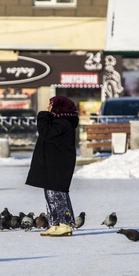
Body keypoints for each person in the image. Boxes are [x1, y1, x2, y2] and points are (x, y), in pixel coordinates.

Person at [26, 96, 79, 237]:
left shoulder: (63, 123)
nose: (48, 107)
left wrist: (43, 116)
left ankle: (65, 224)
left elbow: (45, 132)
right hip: (52, 164)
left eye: (51, 105)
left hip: (59, 165)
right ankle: (55, 223)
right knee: (50, 195)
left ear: (58, 108)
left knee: (58, 195)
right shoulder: (59, 121)